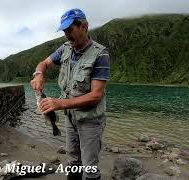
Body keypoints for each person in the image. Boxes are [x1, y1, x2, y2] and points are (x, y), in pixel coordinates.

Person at [30, 8, 110, 180]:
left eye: (70, 29)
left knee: (90, 169)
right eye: (64, 30)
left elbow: (96, 95)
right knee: (73, 162)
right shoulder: (65, 49)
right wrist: (38, 74)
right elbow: (43, 63)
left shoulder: (100, 54)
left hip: (90, 120)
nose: (67, 34)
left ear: (84, 26)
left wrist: (60, 104)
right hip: (70, 117)